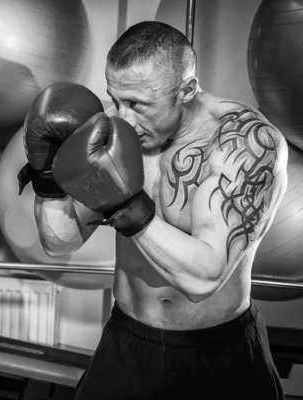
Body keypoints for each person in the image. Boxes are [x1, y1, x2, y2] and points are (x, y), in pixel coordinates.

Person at [18, 21, 288, 399]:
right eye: (116, 99)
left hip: (217, 352)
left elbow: (203, 279)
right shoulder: (114, 131)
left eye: (138, 105)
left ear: (187, 89)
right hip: (128, 340)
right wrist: (45, 178)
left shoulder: (245, 143)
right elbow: (59, 242)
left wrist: (124, 204)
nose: (123, 118)